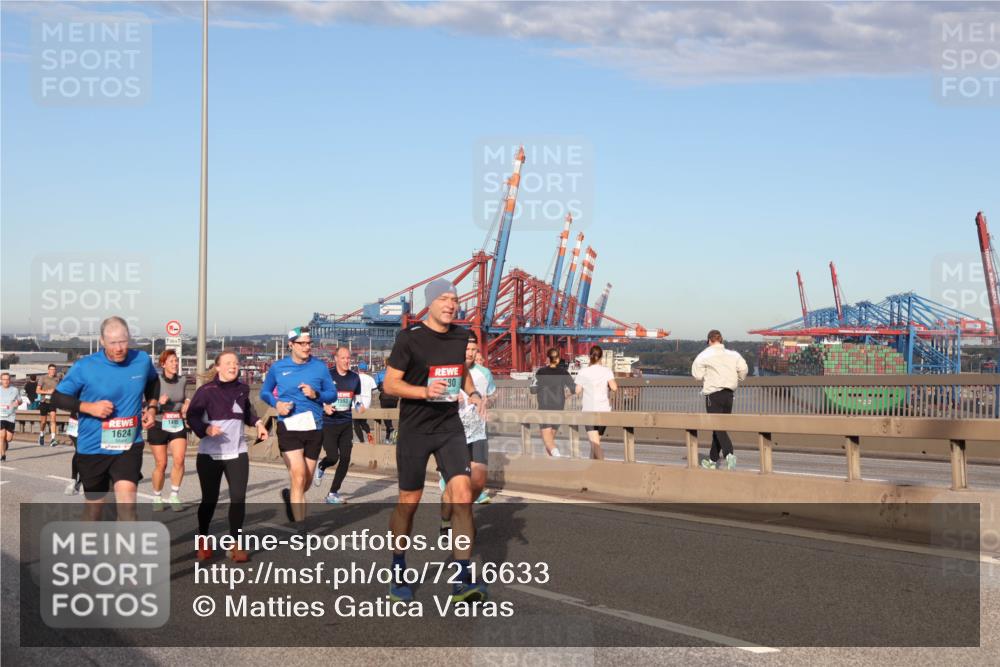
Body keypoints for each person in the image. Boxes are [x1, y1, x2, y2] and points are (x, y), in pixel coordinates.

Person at [383, 279, 487, 603]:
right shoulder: (408, 339)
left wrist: (472, 392)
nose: (450, 304)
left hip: (449, 427)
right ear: (429, 303)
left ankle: (461, 581)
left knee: (462, 496)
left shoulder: (459, 336)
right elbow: (390, 385)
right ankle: (398, 568)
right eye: (443, 298)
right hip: (415, 430)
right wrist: (422, 392)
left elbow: (462, 370)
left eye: (454, 299)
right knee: (408, 504)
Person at [51, 316, 159, 521]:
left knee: (127, 509)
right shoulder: (85, 366)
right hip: (93, 447)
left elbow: (153, 382)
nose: (119, 348)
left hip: (128, 445)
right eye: (113, 343)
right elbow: (57, 397)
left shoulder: (141, 360)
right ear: (102, 341)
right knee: (94, 512)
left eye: (123, 342)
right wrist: (88, 407)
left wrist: (152, 408)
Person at [187, 350, 267, 562]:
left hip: (237, 451)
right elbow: (192, 415)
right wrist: (205, 429)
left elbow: (246, 411)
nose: (234, 366)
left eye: (236, 363)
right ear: (218, 367)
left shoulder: (242, 388)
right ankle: (203, 538)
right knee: (210, 500)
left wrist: (258, 424)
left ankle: (235, 543)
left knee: (239, 497)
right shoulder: (206, 391)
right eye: (229, 363)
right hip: (210, 454)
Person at [259, 327, 335, 527]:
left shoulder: (319, 367)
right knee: (299, 475)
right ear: (291, 345)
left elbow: (332, 394)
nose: (307, 347)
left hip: (314, 428)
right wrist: (277, 404)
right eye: (302, 343)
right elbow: (265, 392)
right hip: (289, 427)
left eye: (309, 343)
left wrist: (316, 395)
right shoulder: (278, 367)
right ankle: (300, 526)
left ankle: (290, 495)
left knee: (305, 482)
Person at [439, 336, 492, 527]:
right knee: (454, 486)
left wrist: (485, 402)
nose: (470, 353)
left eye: (474, 349)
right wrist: (450, 399)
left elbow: (490, 396)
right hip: (453, 433)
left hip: (478, 431)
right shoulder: (449, 371)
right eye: (467, 349)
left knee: (478, 480)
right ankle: (446, 520)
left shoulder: (484, 373)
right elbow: (432, 397)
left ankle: (461, 513)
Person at [692, 329, 749, 470]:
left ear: (709, 341)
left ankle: (729, 454)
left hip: (713, 394)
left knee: (718, 427)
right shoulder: (733, 354)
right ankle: (712, 461)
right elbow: (743, 369)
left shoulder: (704, 354)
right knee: (720, 428)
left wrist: (706, 375)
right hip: (729, 394)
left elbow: (697, 374)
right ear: (721, 340)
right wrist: (739, 378)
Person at [315, 346, 364, 504]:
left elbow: (357, 398)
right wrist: (325, 406)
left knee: (345, 458)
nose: (346, 361)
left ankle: (332, 493)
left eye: (349, 358)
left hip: (345, 422)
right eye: (343, 358)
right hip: (329, 423)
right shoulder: (327, 376)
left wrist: (359, 406)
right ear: (335, 359)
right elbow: (315, 396)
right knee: (333, 457)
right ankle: (322, 465)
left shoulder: (354, 378)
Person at [147, 349, 191, 511]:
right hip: (158, 423)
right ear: (163, 364)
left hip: (176, 422)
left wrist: (187, 402)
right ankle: (157, 496)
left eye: (176, 360)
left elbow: (184, 396)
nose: (175, 364)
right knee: (162, 463)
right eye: (171, 361)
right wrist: (159, 403)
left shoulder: (182, 380)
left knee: (179, 459)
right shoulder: (155, 381)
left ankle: (174, 495)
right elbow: (147, 404)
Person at [574, 345, 618, 460]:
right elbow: (614, 388)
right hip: (604, 410)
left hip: (589, 410)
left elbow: (577, 390)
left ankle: (603, 468)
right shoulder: (607, 371)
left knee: (595, 444)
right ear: (601, 357)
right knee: (595, 443)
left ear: (590, 356)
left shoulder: (583, 372)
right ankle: (592, 470)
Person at [532, 347, 576, 457]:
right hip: (559, 406)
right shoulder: (563, 372)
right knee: (550, 437)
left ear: (547, 358)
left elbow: (532, 390)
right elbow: (574, 389)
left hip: (544, 406)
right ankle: (551, 461)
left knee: (547, 438)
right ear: (557, 359)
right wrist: (565, 396)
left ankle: (557, 455)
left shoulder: (541, 372)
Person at [37, 364, 59, 446]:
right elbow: (38, 391)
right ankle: (41, 434)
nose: (53, 371)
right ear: (48, 370)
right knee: (43, 422)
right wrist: (47, 392)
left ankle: (53, 439)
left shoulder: (57, 379)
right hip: (44, 402)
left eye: (54, 369)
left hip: (53, 402)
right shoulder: (43, 378)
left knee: (53, 419)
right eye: (51, 369)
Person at [353, 366, 377, 444]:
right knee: (363, 422)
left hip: (357, 402)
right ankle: (369, 434)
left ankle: (362, 441)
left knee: (356, 423)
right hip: (366, 403)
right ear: (366, 369)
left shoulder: (355, 377)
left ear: (359, 369)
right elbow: (375, 391)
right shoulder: (370, 378)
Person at [375, 366, 398, 443]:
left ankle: (392, 429)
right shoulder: (396, 373)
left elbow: (377, 386)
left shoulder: (380, 373)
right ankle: (387, 438)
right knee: (389, 417)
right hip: (394, 398)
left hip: (385, 397)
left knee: (385, 416)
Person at [0, 372, 19, 462]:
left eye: (7, 379)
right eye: (4, 379)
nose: (6, 381)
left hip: (11, 416)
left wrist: (17, 403)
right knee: (1, 435)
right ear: (1, 380)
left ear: (10, 380)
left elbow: (20, 400)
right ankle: (3, 455)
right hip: (1, 416)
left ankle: (5, 443)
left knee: (8, 438)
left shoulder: (14, 390)